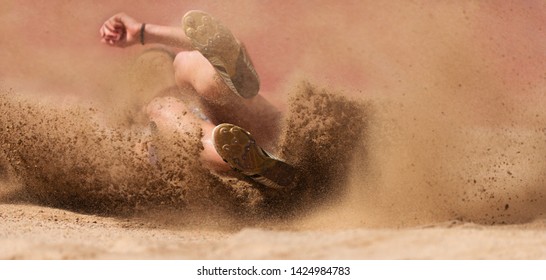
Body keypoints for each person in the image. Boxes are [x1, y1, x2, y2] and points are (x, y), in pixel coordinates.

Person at [99, 10, 296, 190]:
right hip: (248, 159)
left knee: (188, 62)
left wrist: (142, 32)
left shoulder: (185, 91)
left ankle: (227, 77)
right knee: (165, 105)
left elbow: (205, 42)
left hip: (271, 141)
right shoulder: (144, 130)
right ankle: (252, 158)